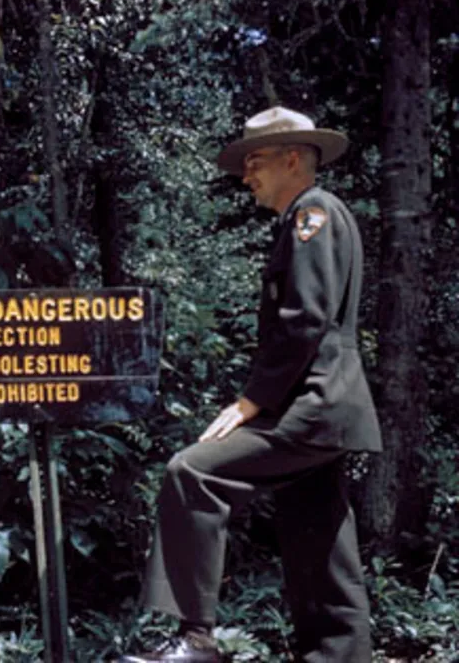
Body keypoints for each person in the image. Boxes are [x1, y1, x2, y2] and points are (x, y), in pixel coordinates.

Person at [119, 107, 381, 663]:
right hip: (325, 407)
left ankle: (196, 641)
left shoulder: (312, 211)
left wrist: (250, 402)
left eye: (255, 162)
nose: (246, 176)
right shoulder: (311, 217)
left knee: (192, 473)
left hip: (313, 404)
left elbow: (304, 321)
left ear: (293, 159)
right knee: (319, 537)